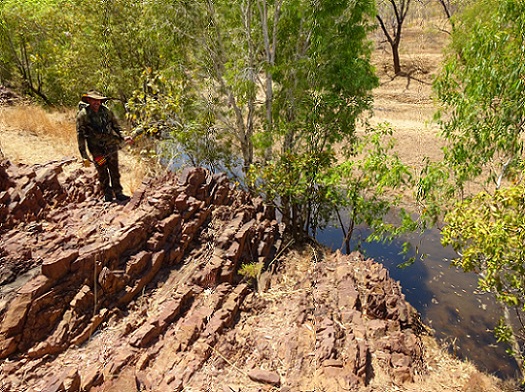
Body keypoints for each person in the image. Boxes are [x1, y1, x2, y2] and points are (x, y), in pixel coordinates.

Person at [76, 90, 132, 202]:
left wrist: (124, 136)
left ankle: (118, 192)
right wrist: (84, 156)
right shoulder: (83, 115)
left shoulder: (106, 111)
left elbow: (116, 126)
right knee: (102, 170)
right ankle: (107, 193)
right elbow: (80, 136)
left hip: (110, 146)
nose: (96, 102)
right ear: (89, 100)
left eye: (99, 100)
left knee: (114, 169)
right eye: (94, 100)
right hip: (96, 149)